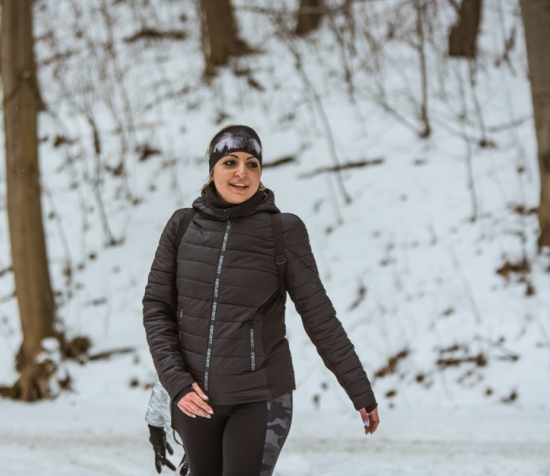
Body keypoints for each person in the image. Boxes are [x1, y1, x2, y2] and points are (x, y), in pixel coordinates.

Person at [142, 125, 380, 476]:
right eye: (230, 162)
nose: (242, 172)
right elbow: (157, 310)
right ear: (212, 170)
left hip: (259, 398)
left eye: (252, 164)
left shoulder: (282, 231)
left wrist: (359, 389)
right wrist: (176, 382)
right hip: (195, 399)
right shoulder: (182, 226)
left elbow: (319, 317)